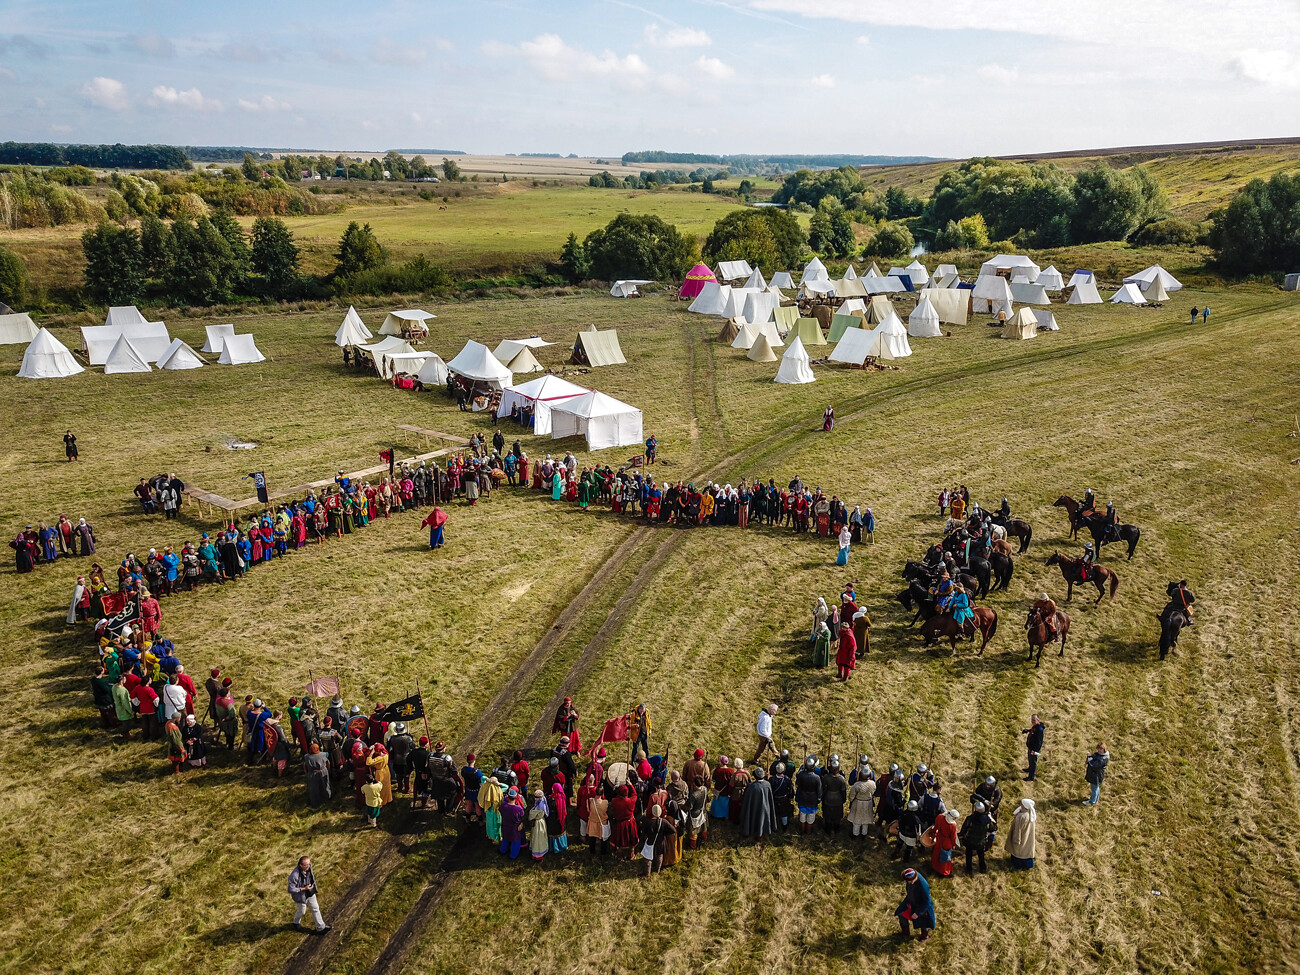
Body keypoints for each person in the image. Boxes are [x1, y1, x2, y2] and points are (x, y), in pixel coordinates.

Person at [288, 856, 330, 933]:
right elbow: (291, 889)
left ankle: (321, 927)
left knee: (315, 908)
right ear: (301, 865)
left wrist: (312, 887)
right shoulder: (294, 875)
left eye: (309, 864)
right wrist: (304, 889)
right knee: (302, 911)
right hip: (300, 897)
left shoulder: (309, 868)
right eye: (306, 865)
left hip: (310, 893)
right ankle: (295, 922)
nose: (308, 866)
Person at [895, 868, 935, 942]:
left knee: (924, 922)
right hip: (911, 900)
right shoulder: (911, 878)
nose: (908, 882)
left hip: (922, 906)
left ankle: (925, 936)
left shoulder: (923, 886)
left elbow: (927, 901)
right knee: (901, 913)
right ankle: (905, 933)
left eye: (909, 881)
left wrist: (918, 913)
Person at [960, 801, 993, 874]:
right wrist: (989, 819)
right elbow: (992, 828)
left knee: (969, 854)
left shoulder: (970, 818)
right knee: (981, 854)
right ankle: (983, 868)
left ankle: (969, 869)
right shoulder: (986, 819)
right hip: (981, 841)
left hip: (970, 841)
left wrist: (962, 835)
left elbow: (964, 829)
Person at [1004, 798, 1037, 868]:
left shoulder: (1021, 816)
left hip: (1020, 838)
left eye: (1022, 804)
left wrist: (1016, 840)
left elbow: (1017, 830)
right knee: (1026, 851)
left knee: (1019, 852)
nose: (1020, 805)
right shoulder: (1030, 814)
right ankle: (1027, 865)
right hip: (1027, 838)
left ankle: (1018, 865)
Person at [794, 756, 822, 834]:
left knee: (802, 818)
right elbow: (819, 790)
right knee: (810, 819)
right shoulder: (817, 778)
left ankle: (803, 831)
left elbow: (797, 783)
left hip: (803, 798)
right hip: (812, 800)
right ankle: (808, 833)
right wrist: (819, 798)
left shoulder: (802, 775)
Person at [847, 769, 876, 840]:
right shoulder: (872, 783)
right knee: (865, 820)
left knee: (857, 820)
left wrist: (851, 800)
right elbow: (873, 791)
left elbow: (851, 796)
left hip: (858, 803)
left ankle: (855, 834)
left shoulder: (857, 785)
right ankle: (864, 833)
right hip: (868, 803)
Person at [930, 808, 959, 877]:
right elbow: (953, 836)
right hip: (946, 842)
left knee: (936, 853)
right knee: (945, 857)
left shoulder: (940, 817)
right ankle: (944, 871)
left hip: (939, 838)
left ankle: (934, 866)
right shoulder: (952, 825)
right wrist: (953, 844)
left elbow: (936, 826)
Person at [500, 789, 526, 858]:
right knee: (515, 841)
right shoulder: (518, 809)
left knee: (506, 838)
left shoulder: (503, 805)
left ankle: (503, 850)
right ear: (516, 797)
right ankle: (513, 855)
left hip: (505, 825)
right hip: (515, 828)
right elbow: (522, 816)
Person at [305, 743, 332, 807]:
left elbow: (305, 765)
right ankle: (327, 797)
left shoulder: (307, 757)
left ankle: (315, 801)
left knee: (314, 787)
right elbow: (328, 763)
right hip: (323, 771)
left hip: (312, 773)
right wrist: (328, 770)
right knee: (325, 785)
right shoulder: (323, 755)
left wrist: (307, 773)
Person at [1023, 715, 1046, 781]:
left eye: (1034, 720)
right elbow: (1033, 731)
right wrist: (1027, 730)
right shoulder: (1036, 727)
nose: (1032, 721)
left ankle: (1031, 777)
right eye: (1032, 720)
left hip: (1034, 749)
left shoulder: (1039, 730)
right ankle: (1029, 769)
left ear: (1038, 720)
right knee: (1030, 759)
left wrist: (1035, 751)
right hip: (1030, 747)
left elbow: (1039, 742)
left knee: (1033, 762)